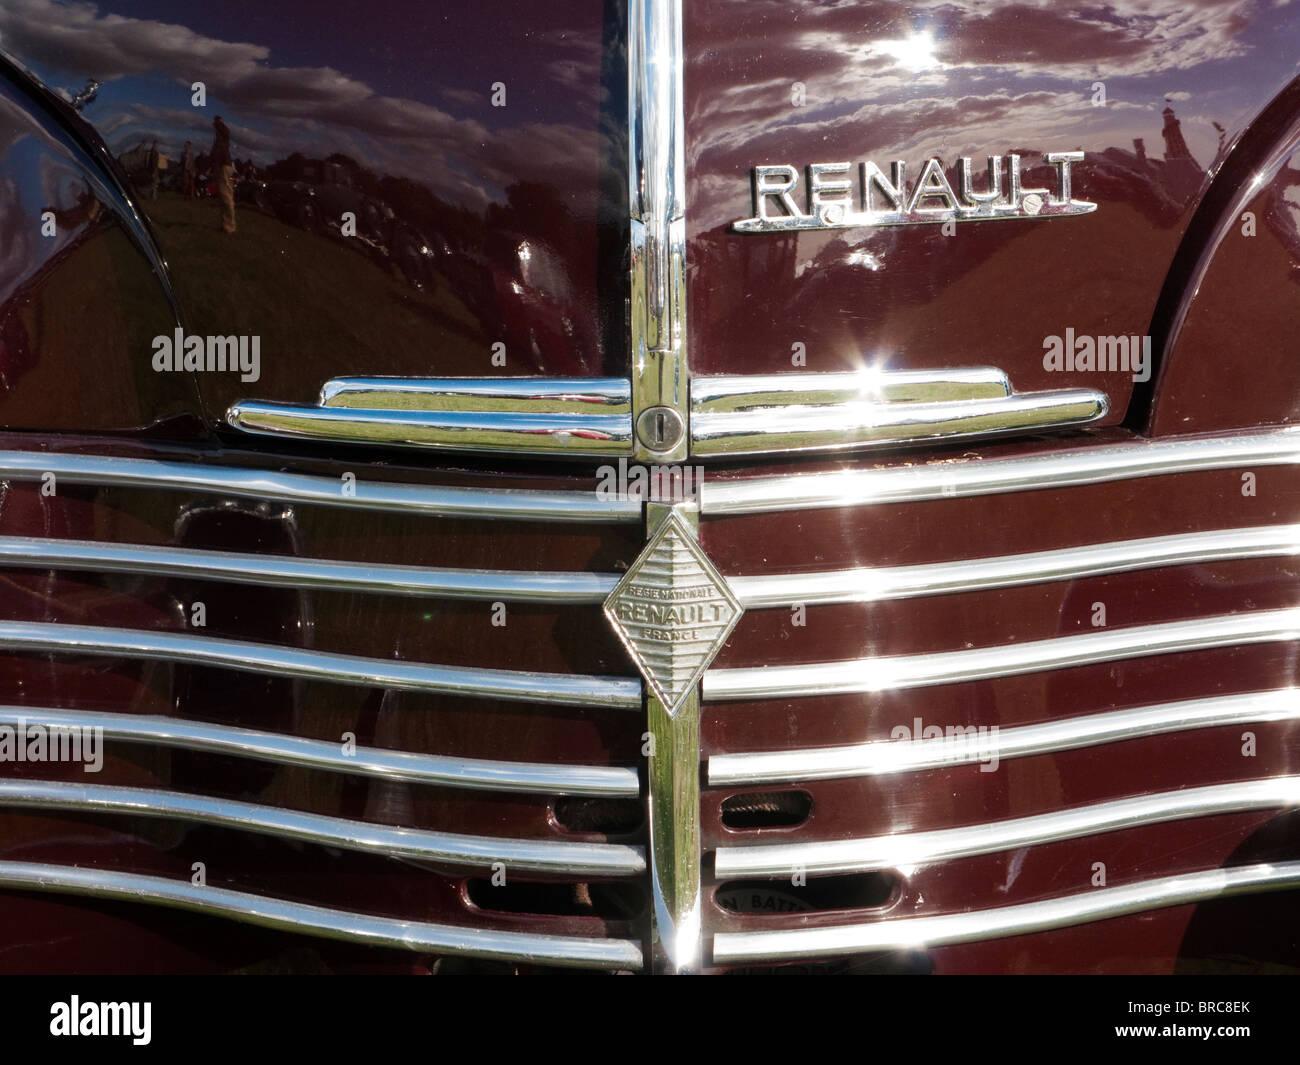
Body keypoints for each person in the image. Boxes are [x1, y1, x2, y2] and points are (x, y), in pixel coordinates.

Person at [210, 116, 235, 233]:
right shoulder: (220, 137)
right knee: (224, 195)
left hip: (224, 165)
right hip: (222, 165)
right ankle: (226, 225)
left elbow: (226, 132)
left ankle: (229, 226)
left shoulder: (223, 135)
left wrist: (219, 123)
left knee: (226, 196)